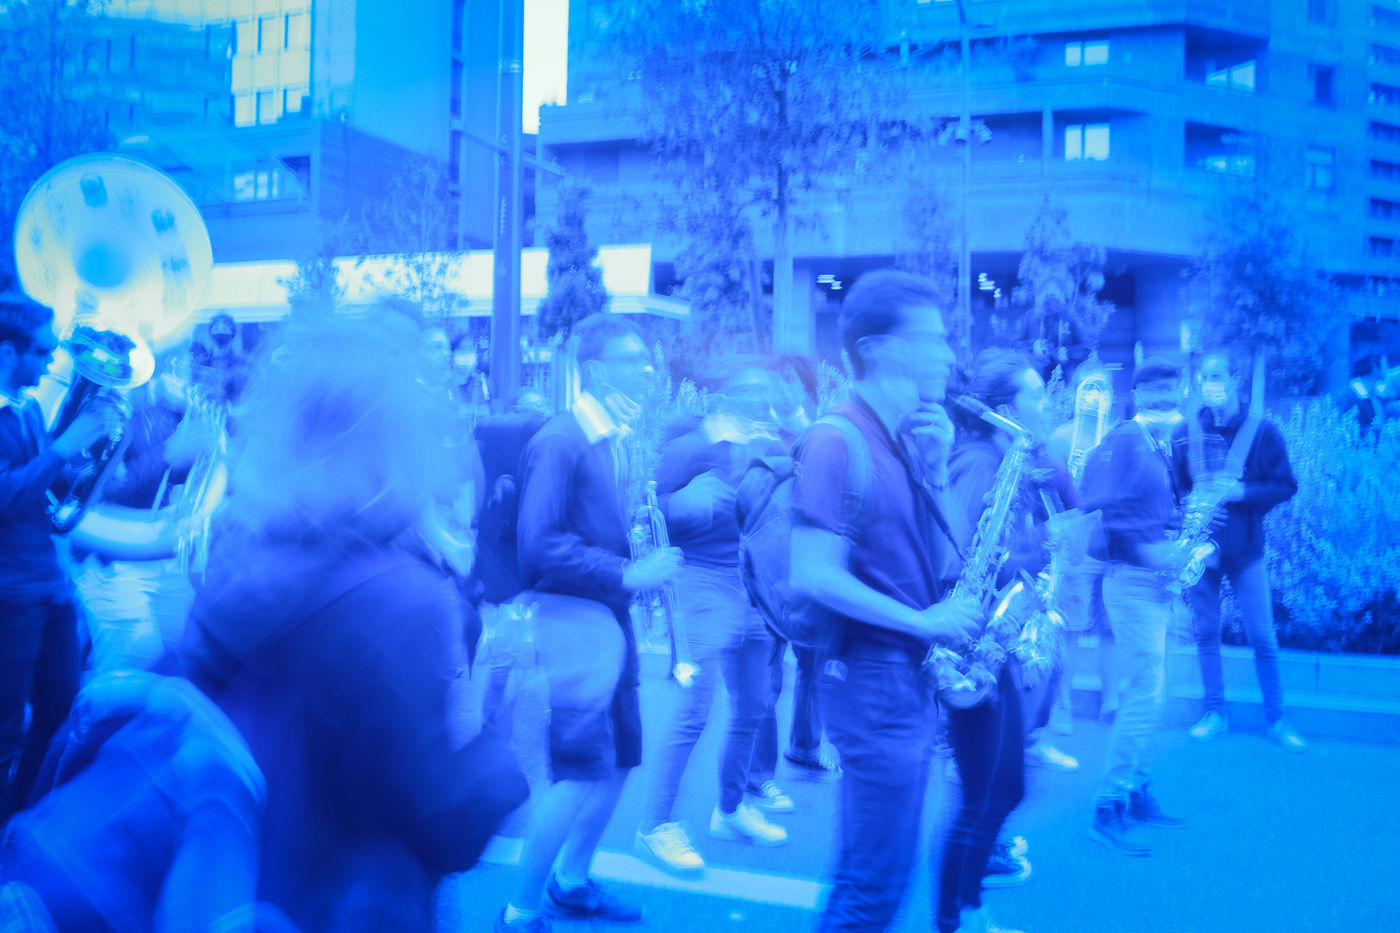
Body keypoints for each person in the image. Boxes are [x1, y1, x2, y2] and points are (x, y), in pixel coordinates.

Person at [179, 309, 528, 931]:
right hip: (338, 904)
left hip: (229, 889)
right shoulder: (395, 598)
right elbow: (440, 824)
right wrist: (503, 733)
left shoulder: (241, 558)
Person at [787, 269, 983, 933]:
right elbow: (812, 573)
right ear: (879, 349)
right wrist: (923, 621)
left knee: (869, 879)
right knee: (873, 889)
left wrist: (937, 469)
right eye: (934, 339)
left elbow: (946, 562)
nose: (949, 355)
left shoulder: (900, 441)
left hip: (900, 680)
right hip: (872, 681)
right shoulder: (835, 439)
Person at [496, 314, 682, 932]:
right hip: (574, 622)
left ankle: (570, 883)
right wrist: (629, 572)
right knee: (578, 770)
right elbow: (538, 544)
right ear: (598, 371)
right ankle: (520, 911)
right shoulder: (561, 438)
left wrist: (635, 559)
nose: (647, 370)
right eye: (633, 359)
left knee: (621, 756)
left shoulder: (610, 437)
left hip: (605, 615)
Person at [636, 359, 788, 875]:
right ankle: (655, 825)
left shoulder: (768, 446)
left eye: (765, 391)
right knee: (694, 709)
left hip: (753, 587)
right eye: (749, 390)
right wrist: (679, 502)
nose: (760, 399)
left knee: (755, 704)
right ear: (723, 398)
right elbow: (644, 510)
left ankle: (729, 809)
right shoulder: (689, 448)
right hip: (702, 580)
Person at [941, 350, 1076, 908]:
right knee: (988, 794)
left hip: (995, 639)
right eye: (1036, 395)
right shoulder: (978, 463)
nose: (1047, 404)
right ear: (1005, 409)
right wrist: (1030, 559)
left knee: (999, 789)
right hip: (976, 642)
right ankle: (955, 911)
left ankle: (964, 904)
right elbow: (958, 554)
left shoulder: (1009, 458)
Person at [0, 292, 119, 821]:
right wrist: (66, 446)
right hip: (11, 595)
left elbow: (44, 492)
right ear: (7, 352)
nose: (54, 362)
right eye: (43, 351)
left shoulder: (24, 406)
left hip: (49, 585)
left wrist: (92, 461)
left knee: (61, 713)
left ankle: (21, 819)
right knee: (5, 731)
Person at [1079, 357, 1189, 857]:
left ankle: (1137, 788)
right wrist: (1150, 550)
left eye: (1172, 387)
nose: (1165, 396)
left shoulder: (1156, 443)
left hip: (1154, 583)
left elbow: (1144, 508)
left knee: (1154, 694)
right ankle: (1109, 805)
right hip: (1133, 581)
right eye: (1155, 388)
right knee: (1144, 693)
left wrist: (1179, 531)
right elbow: (1097, 503)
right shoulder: (1126, 439)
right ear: (1138, 394)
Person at [1171, 352, 1305, 750]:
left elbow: (1285, 485)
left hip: (1246, 552)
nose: (1209, 384)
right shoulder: (1184, 432)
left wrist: (1243, 492)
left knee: (1262, 636)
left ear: (1235, 380)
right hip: (1200, 552)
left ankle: (1277, 719)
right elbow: (1175, 487)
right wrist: (1185, 507)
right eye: (1203, 377)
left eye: (1217, 376)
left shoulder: (1263, 432)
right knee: (1206, 633)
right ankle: (1215, 713)